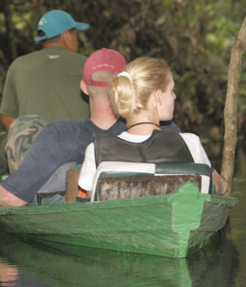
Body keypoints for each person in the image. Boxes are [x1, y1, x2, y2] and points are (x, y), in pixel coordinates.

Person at [0, 48, 136, 208]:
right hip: (130, 206)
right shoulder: (142, 130)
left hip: (71, 210)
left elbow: (11, 198)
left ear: (84, 87)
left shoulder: (59, 134)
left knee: (23, 126)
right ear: (128, 87)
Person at [78, 57, 228, 197]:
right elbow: (214, 186)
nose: (174, 96)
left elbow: (94, 203)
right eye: (171, 90)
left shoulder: (97, 151)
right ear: (158, 97)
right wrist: (223, 185)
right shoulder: (190, 144)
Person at [0, 10, 91, 167]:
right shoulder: (87, 65)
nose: (77, 42)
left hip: (33, 156)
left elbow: (7, 119)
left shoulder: (18, 65)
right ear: (66, 35)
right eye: (76, 35)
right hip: (75, 152)